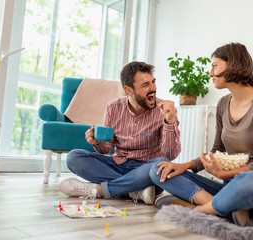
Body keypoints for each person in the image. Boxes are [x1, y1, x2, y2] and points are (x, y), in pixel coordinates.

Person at [149, 42, 253, 226]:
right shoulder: (223, 104)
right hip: (228, 187)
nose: (210, 73)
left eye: (214, 66)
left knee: (251, 179)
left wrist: (224, 174)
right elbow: (217, 151)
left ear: (232, 65)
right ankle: (229, 209)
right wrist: (186, 165)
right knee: (159, 169)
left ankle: (199, 210)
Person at [59, 61, 181, 204]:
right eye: (145, 85)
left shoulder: (164, 111)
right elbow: (106, 149)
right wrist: (97, 142)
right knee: (74, 157)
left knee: (161, 164)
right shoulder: (113, 108)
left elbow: (170, 155)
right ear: (129, 90)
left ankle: (98, 190)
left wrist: (170, 122)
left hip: (144, 170)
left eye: (153, 82)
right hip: (117, 164)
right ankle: (135, 190)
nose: (153, 88)